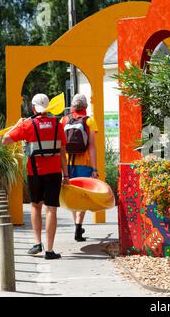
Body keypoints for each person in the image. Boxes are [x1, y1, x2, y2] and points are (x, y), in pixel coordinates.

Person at [2, 94, 69, 260]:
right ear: (48, 108)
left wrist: (16, 125)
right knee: (51, 209)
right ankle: (50, 250)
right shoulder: (57, 125)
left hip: (35, 172)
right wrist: (66, 175)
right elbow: (62, 153)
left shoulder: (27, 125)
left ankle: (37, 243)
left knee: (35, 206)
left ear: (33, 108)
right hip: (54, 173)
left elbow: (5, 140)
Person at [61, 94, 99, 242]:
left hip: (67, 164)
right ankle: (78, 226)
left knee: (71, 195)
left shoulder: (64, 120)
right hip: (83, 164)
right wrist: (94, 169)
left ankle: (76, 224)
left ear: (72, 106)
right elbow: (91, 146)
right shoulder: (89, 121)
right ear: (86, 107)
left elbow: (61, 145)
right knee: (82, 195)